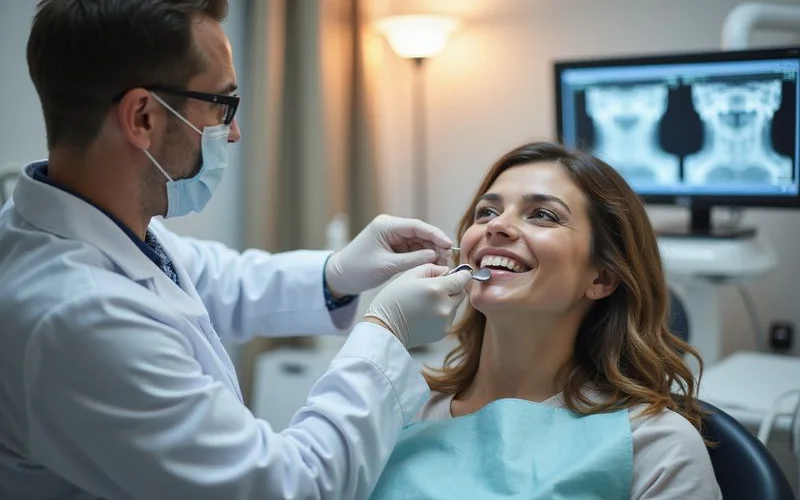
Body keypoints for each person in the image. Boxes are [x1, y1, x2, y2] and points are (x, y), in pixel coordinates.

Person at [0, 1, 473, 499]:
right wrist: (387, 333)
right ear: (143, 117)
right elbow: (286, 488)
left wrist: (336, 273)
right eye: (221, 106)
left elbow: (218, 282)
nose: (234, 132)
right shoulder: (76, 316)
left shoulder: (91, 221)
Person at [369, 142, 723, 499]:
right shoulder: (400, 411)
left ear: (601, 278)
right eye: (487, 212)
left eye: (543, 215)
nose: (498, 226)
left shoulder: (657, 447)